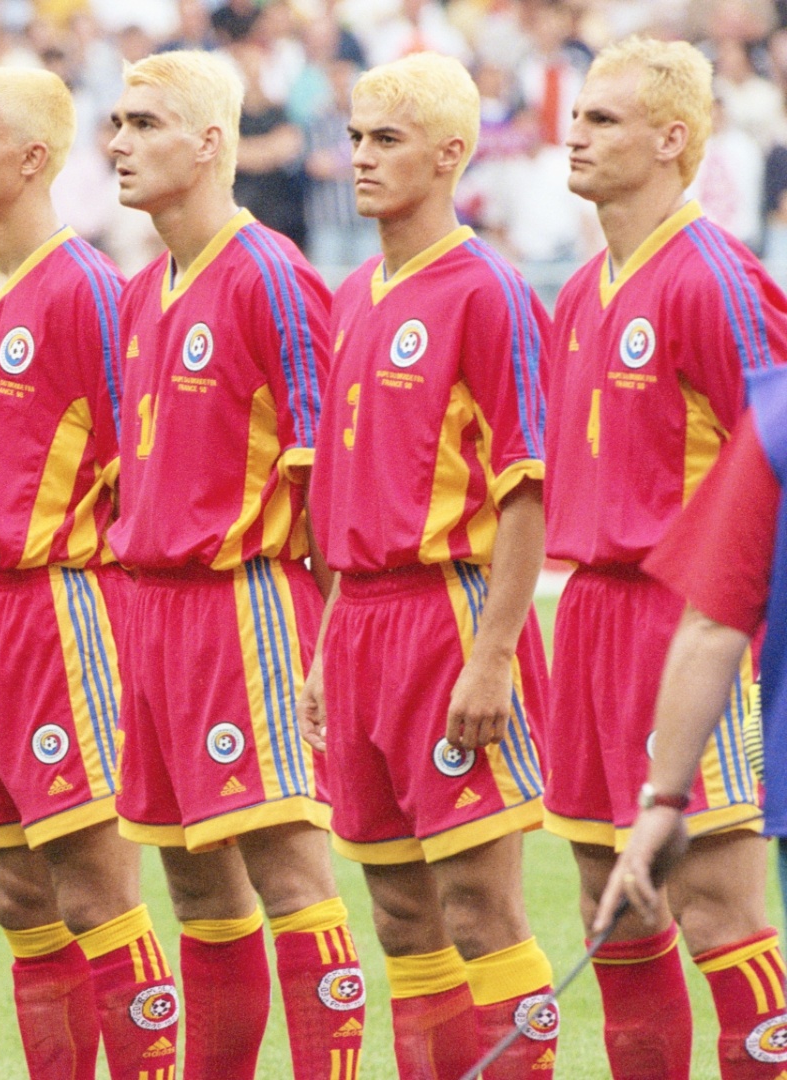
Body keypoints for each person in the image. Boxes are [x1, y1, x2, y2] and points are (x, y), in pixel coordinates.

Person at [104, 51, 367, 1080]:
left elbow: (326, 483)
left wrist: (324, 647)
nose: (119, 143)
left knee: (290, 870)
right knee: (195, 888)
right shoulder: (138, 295)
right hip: (152, 611)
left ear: (211, 143)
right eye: (116, 123)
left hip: (246, 605)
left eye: (144, 123)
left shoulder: (272, 276)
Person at [302, 52, 558, 1080]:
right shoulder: (357, 291)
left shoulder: (487, 289)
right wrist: (325, 648)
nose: (360, 158)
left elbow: (527, 490)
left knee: (479, 906)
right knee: (401, 914)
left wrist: (493, 655)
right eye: (357, 138)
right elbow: (346, 504)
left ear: (451, 156)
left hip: (448, 619)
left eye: (387, 141)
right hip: (360, 625)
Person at [0, 66, 174, 1080]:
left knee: (93, 884)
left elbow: (139, 471)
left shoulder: (88, 292)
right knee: (16, 895)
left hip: (61, 606)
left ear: (33, 159)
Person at [548, 37, 787, 1080]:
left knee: (717, 912)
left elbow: (775, 460)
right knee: (618, 917)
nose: (575, 129)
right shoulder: (578, 293)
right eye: (579, 113)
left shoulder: (715, 279)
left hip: (694, 628)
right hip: (591, 623)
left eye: (602, 118)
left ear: (672, 138)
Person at [602, 368, 787, 1079]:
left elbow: (714, 621)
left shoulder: (775, 412)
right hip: (608, 618)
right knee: (618, 905)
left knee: (718, 910)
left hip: (679, 627)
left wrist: (665, 801)